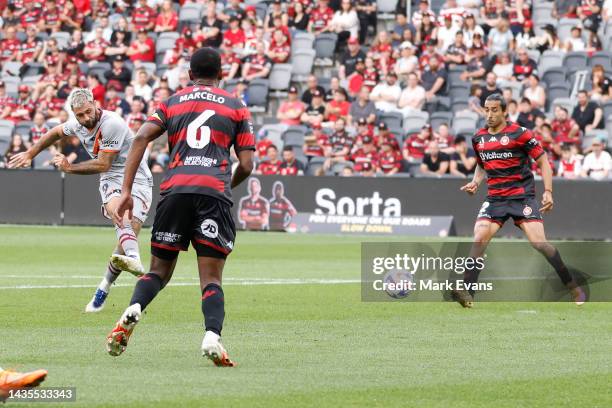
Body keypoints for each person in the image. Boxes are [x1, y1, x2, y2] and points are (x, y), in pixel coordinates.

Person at [109, 48, 255, 367]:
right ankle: (211, 336)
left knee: (159, 271)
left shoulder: (172, 102)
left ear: (190, 74)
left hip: (175, 191)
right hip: (213, 194)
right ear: (221, 74)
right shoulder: (235, 106)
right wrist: (225, 186)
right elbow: (247, 163)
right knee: (211, 279)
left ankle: (134, 308)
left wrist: (127, 190)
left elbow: (140, 139)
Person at [8, 88, 153, 313]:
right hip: (112, 179)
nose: (85, 118)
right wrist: (30, 153)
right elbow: (55, 132)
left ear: (95, 104)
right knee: (121, 215)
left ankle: (104, 286)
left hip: (137, 176)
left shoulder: (111, 123)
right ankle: (135, 257)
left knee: (124, 241)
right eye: (79, 116)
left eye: (87, 112)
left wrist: (70, 168)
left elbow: (103, 163)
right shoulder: (77, 124)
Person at [452, 93, 586, 308]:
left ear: (505, 111)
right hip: (495, 198)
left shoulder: (520, 133)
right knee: (479, 236)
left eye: (495, 110)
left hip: (521, 196)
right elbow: (481, 164)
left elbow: (543, 161)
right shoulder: (479, 138)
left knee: (539, 243)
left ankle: (572, 286)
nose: (490, 114)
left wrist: (548, 191)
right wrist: (476, 182)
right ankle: (467, 293)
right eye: (487, 109)